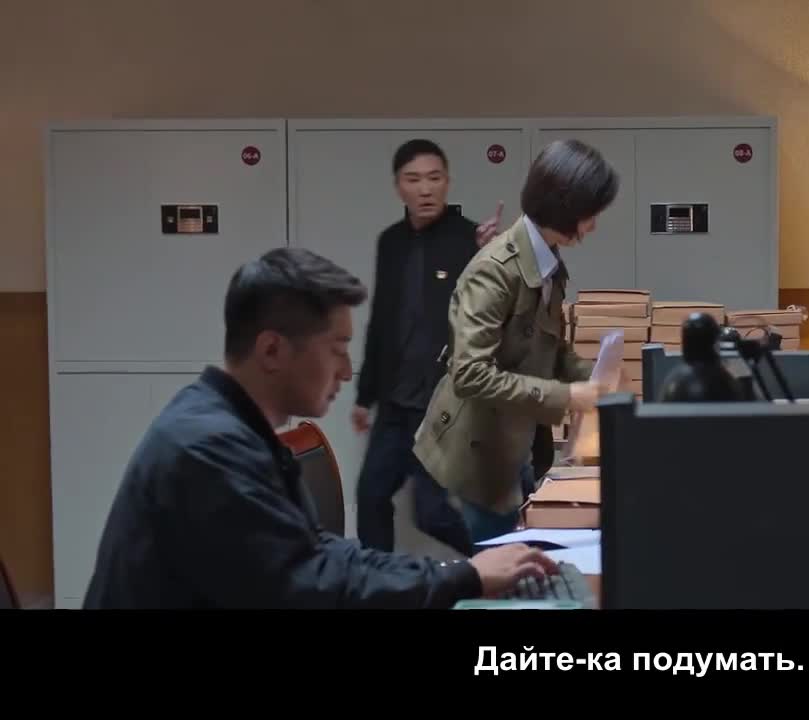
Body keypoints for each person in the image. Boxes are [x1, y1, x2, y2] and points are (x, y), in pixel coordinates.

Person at [83, 247, 557, 609]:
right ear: (272, 350)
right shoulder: (207, 448)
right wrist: (462, 579)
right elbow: (309, 586)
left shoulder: (233, 427)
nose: (347, 371)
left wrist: (459, 573)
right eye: (337, 348)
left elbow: (319, 555)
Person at [413, 139, 620, 543]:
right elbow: (470, 374)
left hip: (517, 443)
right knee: (501, 562)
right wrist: (568, 395)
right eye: (590, 214)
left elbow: (548, 346)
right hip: (478, 456)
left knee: (525, 548)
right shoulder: (494, 271)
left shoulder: (548, 261)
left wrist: (594, 379)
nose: (593, 226)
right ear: (566, 206)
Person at [351, 139, 503, 555]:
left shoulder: (469, 239)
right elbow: (381, 321)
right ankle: (377, 580)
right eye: (413, 179)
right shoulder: (390, 242)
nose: (425, 189)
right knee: (370, 496)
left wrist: (491, 256)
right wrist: (364, 396)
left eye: (434, 178)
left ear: (447, 183)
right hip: (395, 404)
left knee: (431, 512)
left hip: (441, 405)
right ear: (398, 186)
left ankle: (497, 562)